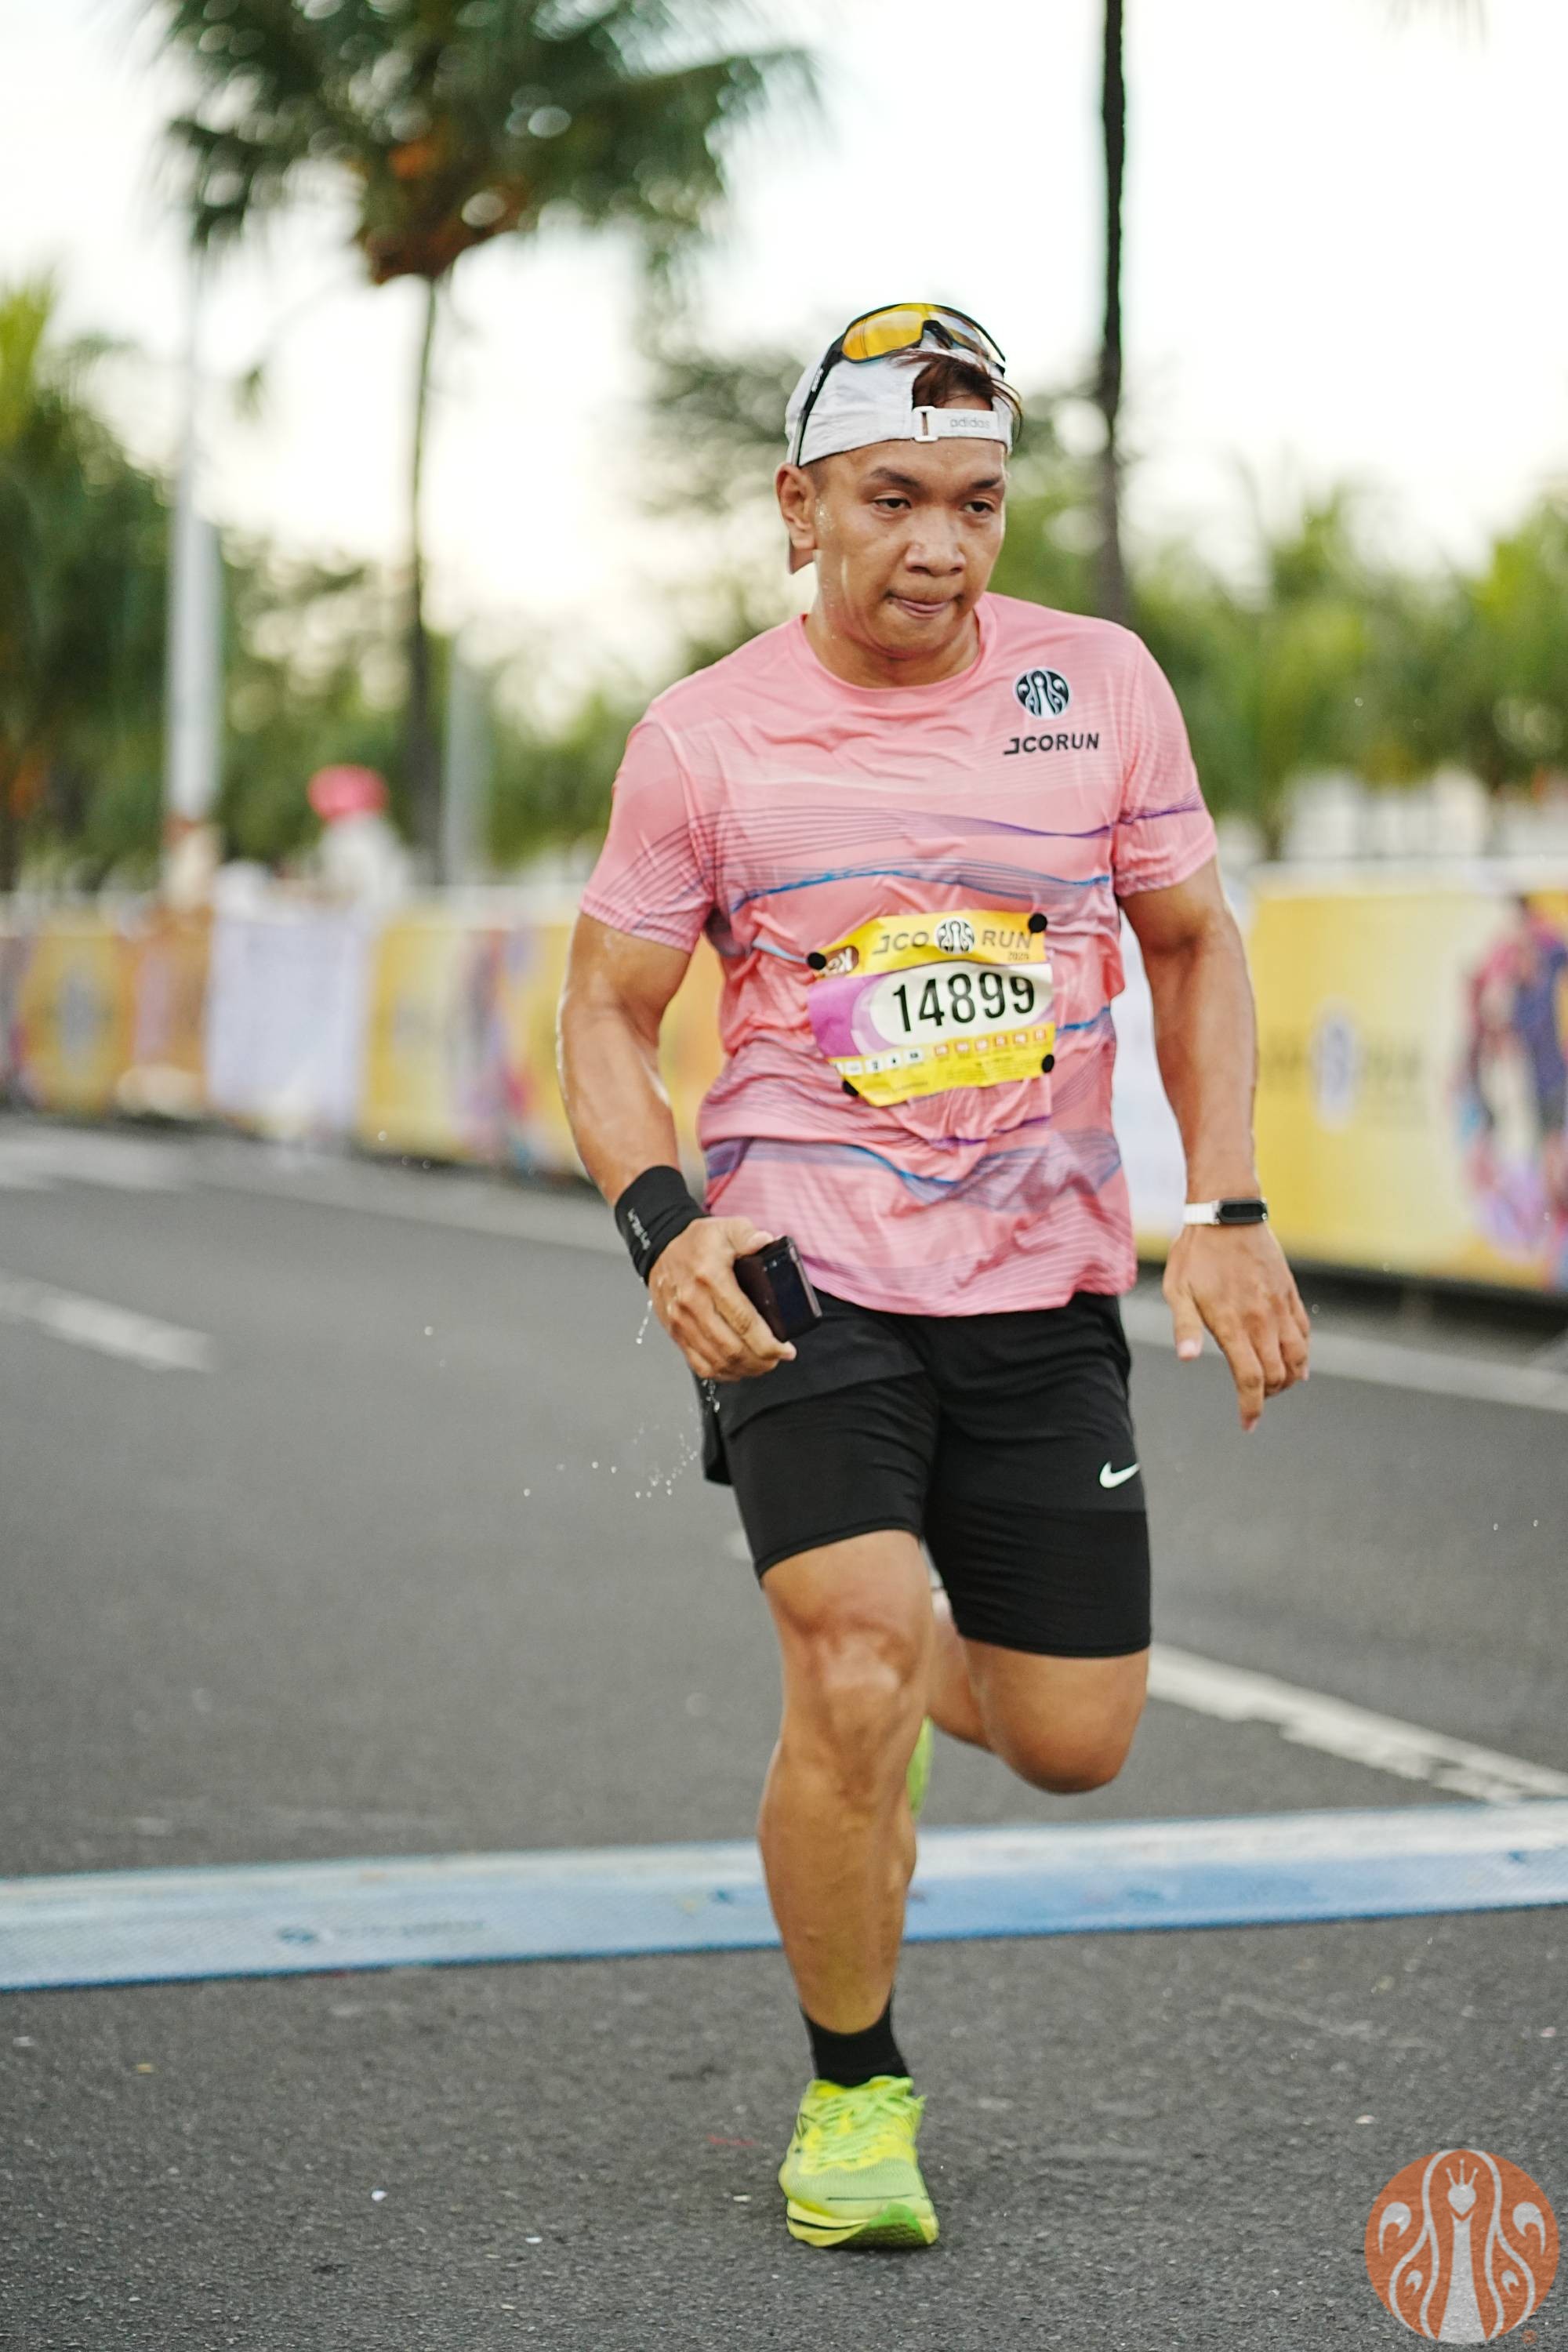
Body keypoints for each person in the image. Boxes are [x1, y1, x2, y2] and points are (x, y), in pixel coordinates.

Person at [557, 301, 1309, 2251]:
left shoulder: (1096, 688)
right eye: (892, 497)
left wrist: (1224, 1207)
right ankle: (853, 2093)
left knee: (1073, 1742)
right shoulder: (705, 736)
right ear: (796, 504)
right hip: (800, 1262)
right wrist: (666, 1224)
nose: (940, 545)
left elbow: (1192, 944)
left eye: (976, 503)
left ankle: (884, 1705)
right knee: (853, 1655)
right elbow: (606, 1010)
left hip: (1040, 1274)